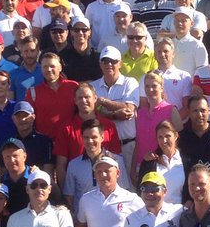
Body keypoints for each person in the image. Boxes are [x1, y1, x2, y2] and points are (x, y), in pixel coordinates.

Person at [63, 120, 132, 211]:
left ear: (102, 137)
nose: (90, 141)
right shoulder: (74, 165)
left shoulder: (117, 161)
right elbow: (69, 196)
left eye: (94, 137)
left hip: (111, 214)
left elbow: (124, 191)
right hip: (85, 218)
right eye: (86, 137)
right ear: (81, 138)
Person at [92, 46, 139, 175]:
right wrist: (114, 114)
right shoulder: (93, 87)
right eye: (105, 61)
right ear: (100, 64)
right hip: (104, 148)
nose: (109, 64)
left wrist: (103, 102)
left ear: (120, 63)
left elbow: (129, 110)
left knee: (131, 188)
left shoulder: (130, 82)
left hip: (128, 146)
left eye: (113, 61)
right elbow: (92, 115)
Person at [135, 71, 182, 169]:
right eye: (147, 86)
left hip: (163, 166)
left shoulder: (171, 110)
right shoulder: (140, 113)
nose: (150, 89)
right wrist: (133, 168)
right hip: (141, 165)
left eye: (154, 86)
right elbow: (138, 143)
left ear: (161, 88)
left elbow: (180, 141)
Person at [137, 120, 186, 202]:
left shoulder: (186, 160)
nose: (164, 141)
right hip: (158, 212)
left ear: (176, 136)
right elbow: (141, 189)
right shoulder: (149, 162)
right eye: (160, 137)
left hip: (182, 210)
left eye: (168, 136)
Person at [178, 94, 210, 171]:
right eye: (195, 111)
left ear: (209, 111)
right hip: (189, 182)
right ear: (188, 112)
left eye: (203, 110)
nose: (199, 115)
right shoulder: (180, 137)